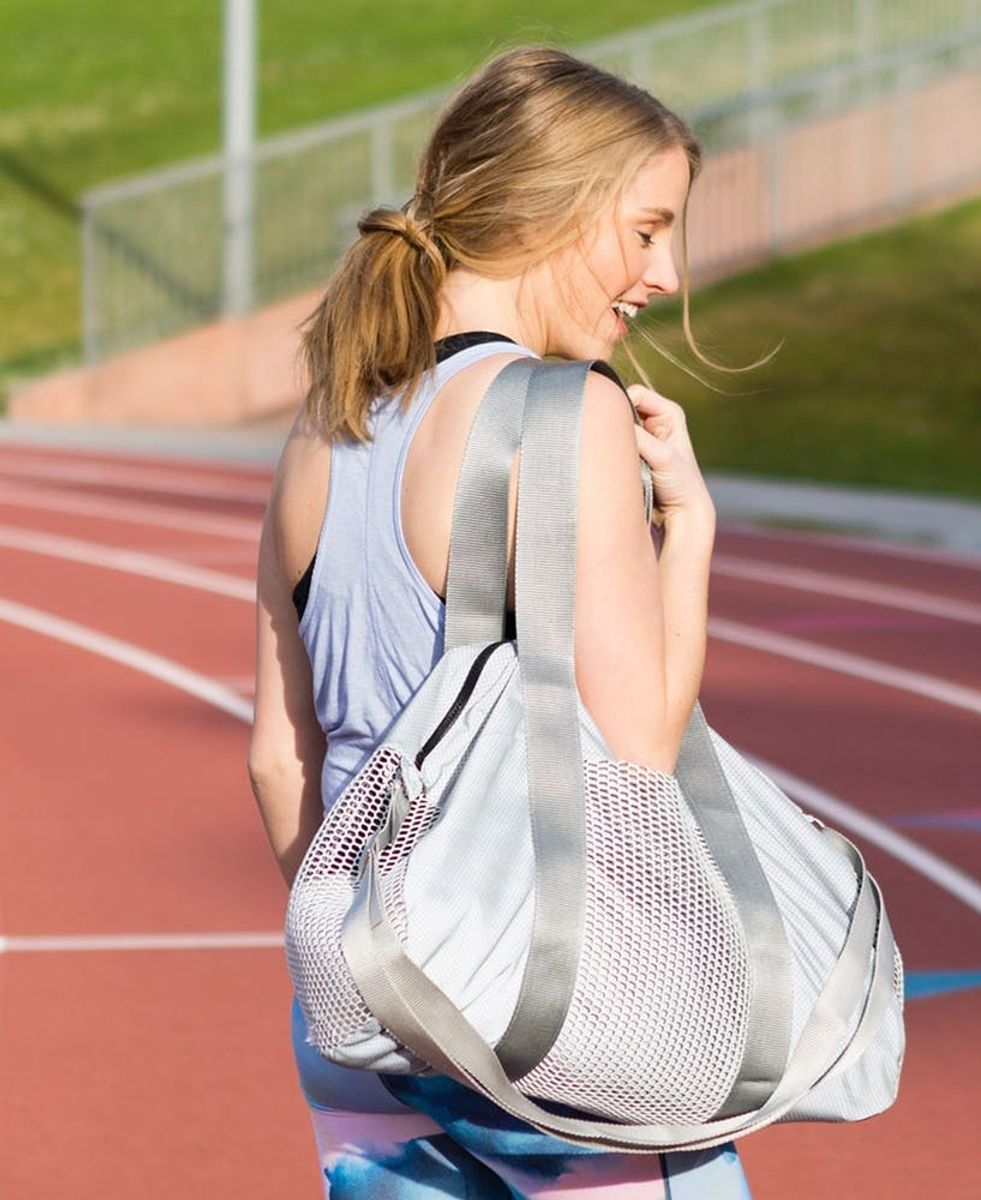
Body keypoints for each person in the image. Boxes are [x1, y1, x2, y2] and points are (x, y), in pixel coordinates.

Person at [249, 45, 750, 1198]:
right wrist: (694, 527)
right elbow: (636, 751)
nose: (664, 273)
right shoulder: (556, 414)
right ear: (551, 207)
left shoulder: (325, 433)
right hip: (545, 1009)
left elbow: (280, 754)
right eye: (645, 228)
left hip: (361, 1006)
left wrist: (365, 945)